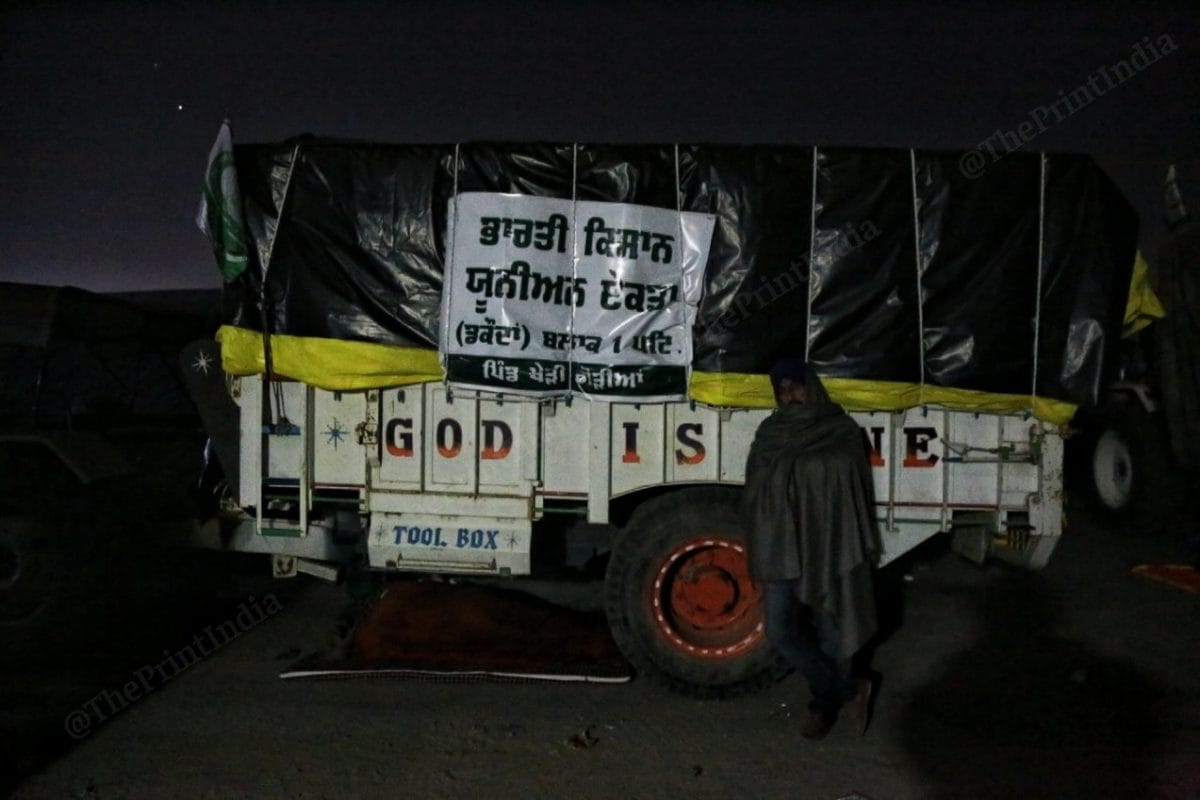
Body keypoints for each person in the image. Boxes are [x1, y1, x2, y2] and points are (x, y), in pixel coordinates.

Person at [742, 357, 880, 739]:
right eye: (782, 389)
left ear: (812, 386)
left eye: (796, 385)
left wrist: (800, 474)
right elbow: (755, 489)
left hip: (826, 544)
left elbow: (844, 477)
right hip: (780, 547)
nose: (789, 395)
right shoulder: (769, 432)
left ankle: (823, 702)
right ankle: (850, 691)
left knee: (832, 626)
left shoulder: (839, 429)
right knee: (780, 630)